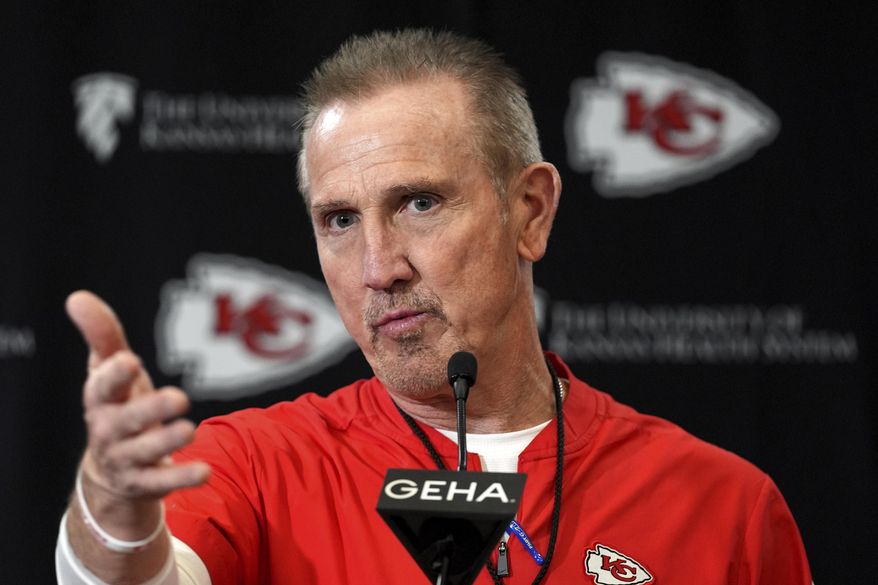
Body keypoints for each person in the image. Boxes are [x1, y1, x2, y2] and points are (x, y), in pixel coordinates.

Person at [56, 29, 812, 585]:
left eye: (419, 203)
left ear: (531, 211)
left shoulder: (725, 508)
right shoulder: (251, 467)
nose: (378, 268)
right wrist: (113, 514)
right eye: (340, 220)